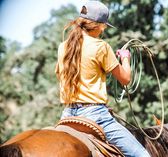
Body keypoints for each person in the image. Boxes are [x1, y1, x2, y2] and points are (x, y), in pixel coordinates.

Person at [55, 1, 150, 157]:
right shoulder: (101, 47)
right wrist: (125, 58)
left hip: (68, 114)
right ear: (98, 25)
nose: (104, 29)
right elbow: (125, 79)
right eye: (104, 26)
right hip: (94, 115)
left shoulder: (63, 47)